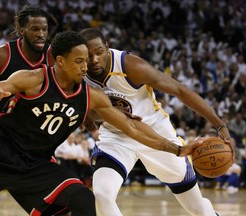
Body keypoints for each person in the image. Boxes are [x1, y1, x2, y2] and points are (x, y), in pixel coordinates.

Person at [0, 31, 201, 216]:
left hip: (37, 165)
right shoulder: (33, 79)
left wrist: (176, 149)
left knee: (85, 202)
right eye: (78, 61)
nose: (85, 66)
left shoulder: (92, 96)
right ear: (60, 61)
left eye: (86, 60)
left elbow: (132, 128)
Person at [79, 28, 232, 216]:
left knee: (197, 208)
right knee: (102, 195)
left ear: (107, 48)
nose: (94, 60)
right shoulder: (78, 71)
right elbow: (86, 105)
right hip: (117, 137)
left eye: (99, 52)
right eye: (88, 55)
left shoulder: (130, 66)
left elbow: (180, 91)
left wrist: (219, 124)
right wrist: (94, 122)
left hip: (156, 132)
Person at [0, 5, 58, 134]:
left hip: (32, 132)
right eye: (35, 29)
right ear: (22, 31)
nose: (41, 34)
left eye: (45, 29)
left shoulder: (53, 57)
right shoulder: (1, 54)